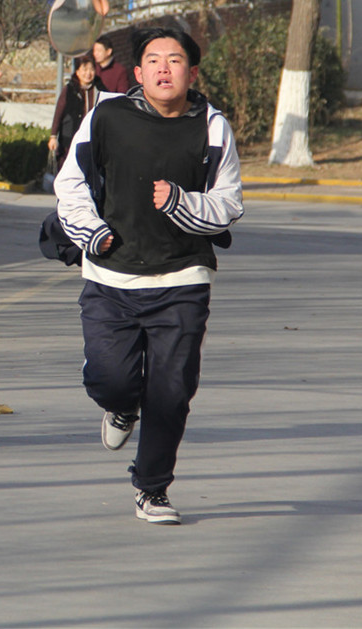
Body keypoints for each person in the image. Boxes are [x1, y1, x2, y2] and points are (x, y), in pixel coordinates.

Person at [54, 27, 243, 525]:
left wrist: (181, 204)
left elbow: (229, 204)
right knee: (111, 379)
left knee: (172, 389)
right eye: (153, 60)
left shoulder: (213, 126)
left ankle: (152, 488)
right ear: (137, 73)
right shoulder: (107, 116)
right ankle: (119, 407)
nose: (164, 68)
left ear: (192, 72)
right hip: (110, 277)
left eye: (175, 60)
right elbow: (70, 183)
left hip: (183, 278)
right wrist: (91, 233)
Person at [48, 51, 98, 167]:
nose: (88, 73)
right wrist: (53, 136)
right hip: (69, 138)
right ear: (77, 72)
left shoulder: (97, 89)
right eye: (84, 70)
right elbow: (59, 113)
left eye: (91, 69)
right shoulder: (70, 89)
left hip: (90, 139)